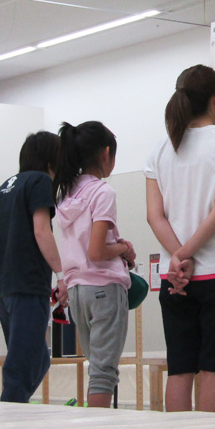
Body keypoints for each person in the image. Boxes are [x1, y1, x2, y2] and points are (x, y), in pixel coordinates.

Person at [145, 65, 215, 413]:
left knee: (180, 370)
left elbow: (154, 216)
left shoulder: (160, 151)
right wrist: (188, 253)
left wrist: (177, 257)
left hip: (174, 279)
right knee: (213, 371)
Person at [55, 121, 135, 408]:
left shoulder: (66, 193)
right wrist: (124, 248)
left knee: (96, 366)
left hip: (77, 292)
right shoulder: (102, 192)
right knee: (104, 372)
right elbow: (98, 251)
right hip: (103, 288)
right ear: (105, 153)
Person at [0, 131, 67, 403]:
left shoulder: (4, 188)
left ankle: (15, 407)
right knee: (21, 367)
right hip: (27, 285)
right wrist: (61, 274)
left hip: (1, 288)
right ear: (50, 158)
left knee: (38, 358)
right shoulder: (41, 180)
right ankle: (10, 419)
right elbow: (42, 231)